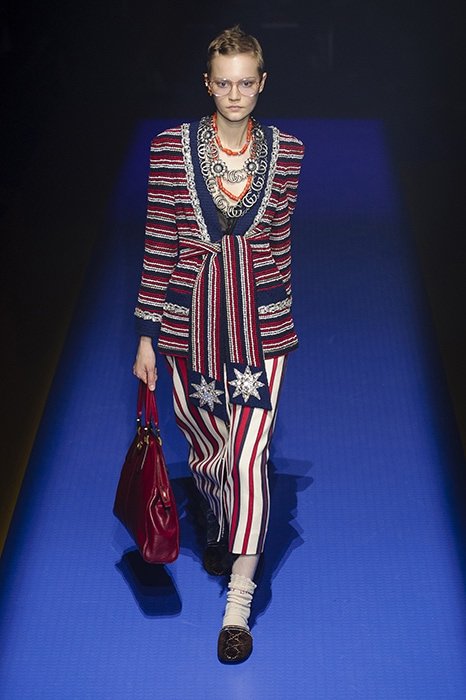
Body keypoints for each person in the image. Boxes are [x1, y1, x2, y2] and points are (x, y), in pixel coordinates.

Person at [132, 25, 304, 663]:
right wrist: (147, 335)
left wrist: (279, 322)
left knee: (250, 457)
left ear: (262, 83)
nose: (235, 94)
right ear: (208, 84)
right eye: (224, 83)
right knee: (208, 451)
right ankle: (214, 515)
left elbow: (279, 244)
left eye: (246, 82)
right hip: (189, 325)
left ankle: (237, 603)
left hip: (259, 327)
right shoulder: (170, 149)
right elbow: (159, 241)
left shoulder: (288, 154)